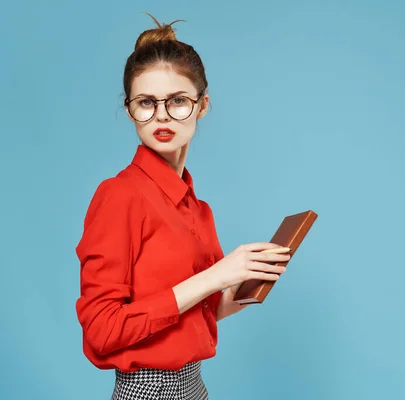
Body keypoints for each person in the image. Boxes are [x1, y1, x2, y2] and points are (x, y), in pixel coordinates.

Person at [74, 14, 291, 400]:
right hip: (146, 391)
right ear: (129, 110)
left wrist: (248, 281)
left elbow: (198, 317)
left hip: (195, 386)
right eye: (145, 102)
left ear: (202, 104)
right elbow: (101, 331)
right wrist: (216, 275)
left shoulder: (197, 208)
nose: (161, 115)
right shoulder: (119, 195)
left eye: (177, 101)